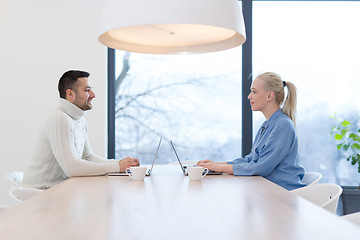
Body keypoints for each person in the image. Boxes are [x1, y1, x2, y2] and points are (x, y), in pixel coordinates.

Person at [21, 70, 139, 189]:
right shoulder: (59, 118)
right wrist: (117, 167)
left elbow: (88, 157)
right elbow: (72, 168)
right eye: (87, 90)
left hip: (58, 191)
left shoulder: (78, 119)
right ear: (70, 94)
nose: (93, 95)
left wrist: (120, 164)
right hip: (38, 194)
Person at [197, 72, 306, 190]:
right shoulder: (267, 125)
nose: (249, 96)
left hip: (283, 194)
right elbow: (250, 160)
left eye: (254, 91)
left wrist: (219, 168)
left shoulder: (283, 125)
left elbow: (260, 167)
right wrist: (215, 165)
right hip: (267, 190)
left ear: (269, 96)